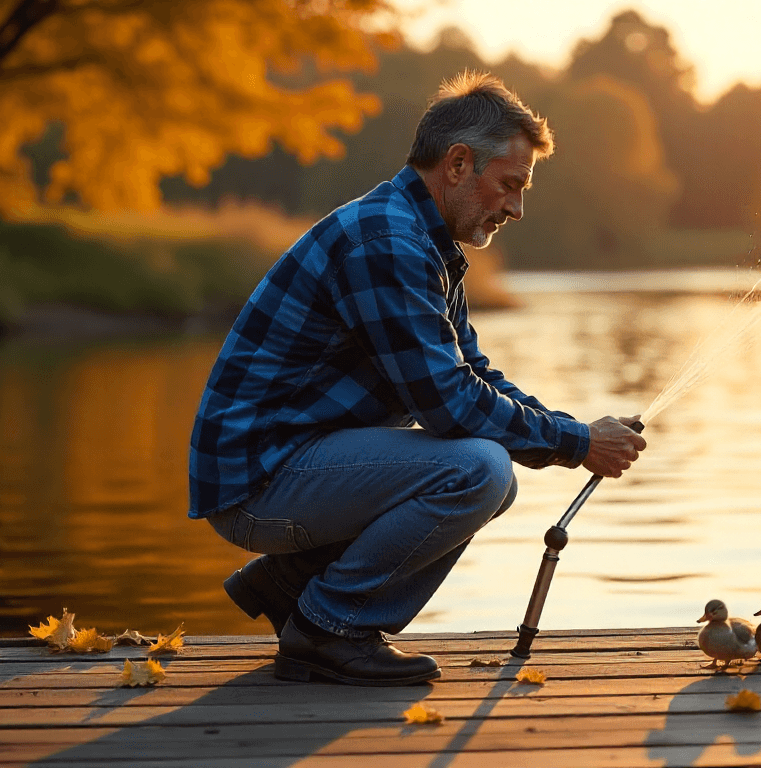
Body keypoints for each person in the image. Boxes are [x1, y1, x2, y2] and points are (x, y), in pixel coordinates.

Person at [187, 72, 647, 686]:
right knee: (477, 469)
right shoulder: (387, 242)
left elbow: (472, 374)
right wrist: (575, 443)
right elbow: (449, 404)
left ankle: (291, 582)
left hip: (288, 466)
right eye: (509, 185)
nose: (515, 207)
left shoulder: (423, 240)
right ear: (458, 164)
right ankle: (328, 630)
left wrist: (574, 434)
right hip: (257, 482)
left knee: (491, 476)